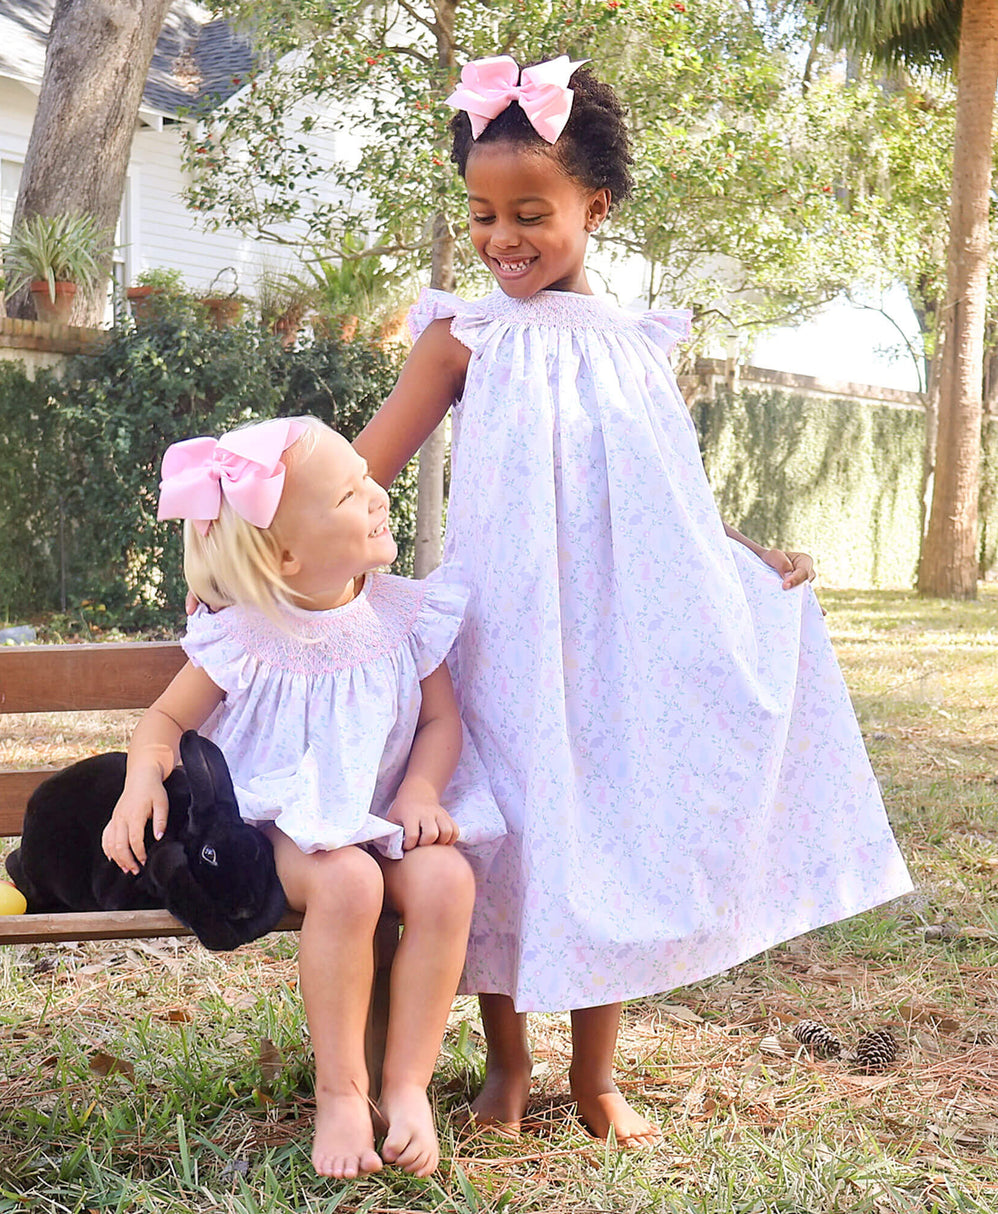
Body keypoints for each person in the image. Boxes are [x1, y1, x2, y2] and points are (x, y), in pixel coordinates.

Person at [354, 54, 914, 1148]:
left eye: (530, 212)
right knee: (503, 835)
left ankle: (597, 1072)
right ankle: (506, 1063)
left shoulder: (637, 345)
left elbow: (667, 494)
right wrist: (264, 511)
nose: (501, 236)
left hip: (616, 630)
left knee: (607, 822)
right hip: (500, 630)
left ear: (593, 207)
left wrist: (747, 556)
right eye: (480, 213)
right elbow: (363, 464)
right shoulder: (461, 335)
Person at [102, 416, 503, 1179]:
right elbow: (164, 719)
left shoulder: (404, 613)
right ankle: (342, 1091)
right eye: (351, 493)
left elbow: (443, 720)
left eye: (364, 477)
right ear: (287, 554)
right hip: (282, 828)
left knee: (449, 879)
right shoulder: (247, 635)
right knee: (348, 881)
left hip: (386, 813)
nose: (377, 493)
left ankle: (407, 1085)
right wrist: (140, 780)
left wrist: (421, 788)